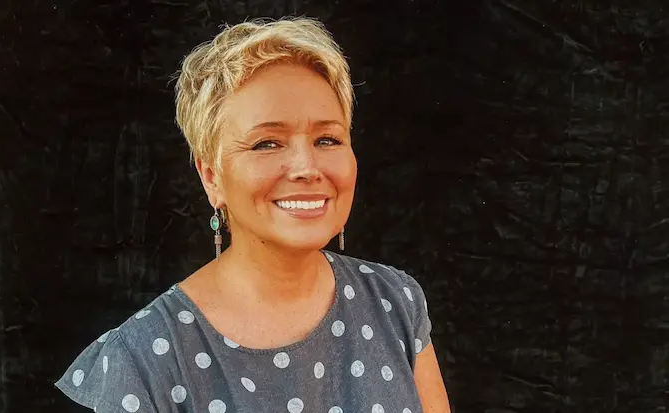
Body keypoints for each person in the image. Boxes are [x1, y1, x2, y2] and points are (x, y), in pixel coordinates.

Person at [54, 16, 450, 413]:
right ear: (212, 176)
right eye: (267, 144)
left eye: (327, 139)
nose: (307, 167)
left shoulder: (395, 301)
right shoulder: (141, 362)